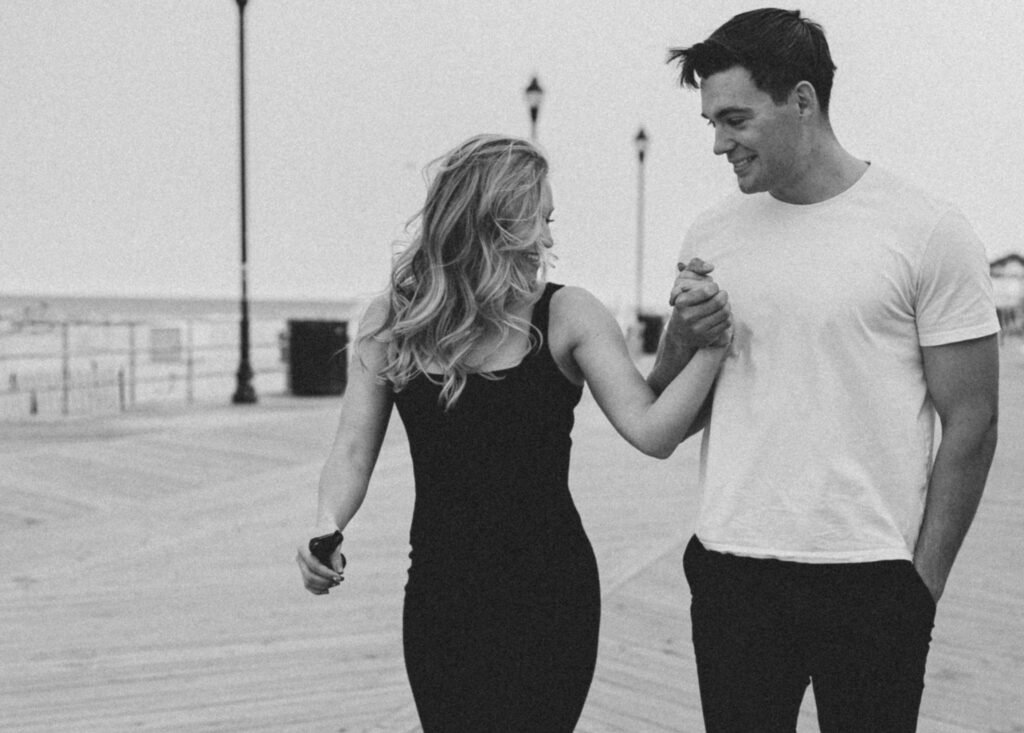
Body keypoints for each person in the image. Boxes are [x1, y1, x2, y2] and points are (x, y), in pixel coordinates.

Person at [295, 134, 731, 732]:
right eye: (540, 220)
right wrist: (326, 522)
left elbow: (653, 430)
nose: (550, 239)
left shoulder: (569, 313)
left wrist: (712, 345)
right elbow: (350, 448)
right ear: (495, 222)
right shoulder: (392, 322)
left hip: (551, 594)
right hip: (441, 596)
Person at [649, 8, 1000, 732]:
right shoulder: (712, 233)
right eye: (712, 123)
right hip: (731, 567)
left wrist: (920, 589)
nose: (719, 143)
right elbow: (669, 412)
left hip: (873, 578)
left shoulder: (926, 230)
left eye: (736, 119)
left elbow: (973, 420)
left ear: (802, 101)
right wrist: (685, 332)